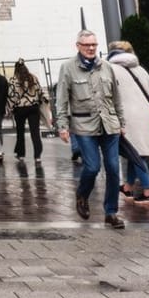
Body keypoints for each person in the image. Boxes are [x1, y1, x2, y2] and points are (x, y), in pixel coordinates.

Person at [54, 30, 125, 229]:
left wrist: (122, 122)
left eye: (94, 44)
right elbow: (62, 99)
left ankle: (111, 212)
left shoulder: (107, 67)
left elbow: (116, 97)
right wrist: (62, 126)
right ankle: (82, 194)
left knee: (113, 169)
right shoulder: (68, 68)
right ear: (78, 46)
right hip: (84, 126)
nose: (91, 48)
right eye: (87, 45)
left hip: (109, 125)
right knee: (92, 167)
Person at [107, 41, 149, 206]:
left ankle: (148, 193)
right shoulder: (141, 69)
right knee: (135, 152)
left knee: (136, 154)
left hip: (126, 115)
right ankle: (127, 188)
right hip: (145, 115)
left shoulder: (111, 69)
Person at [7, 60, 49, 162]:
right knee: (35, 132)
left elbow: (12, 96)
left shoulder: (13, 80)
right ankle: (37, 156)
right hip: (33, 108)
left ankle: (21, 154)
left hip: (20, 109)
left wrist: (10, 108)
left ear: (16, 69)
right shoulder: (33, 78)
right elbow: (40, 91)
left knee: (20, 132)